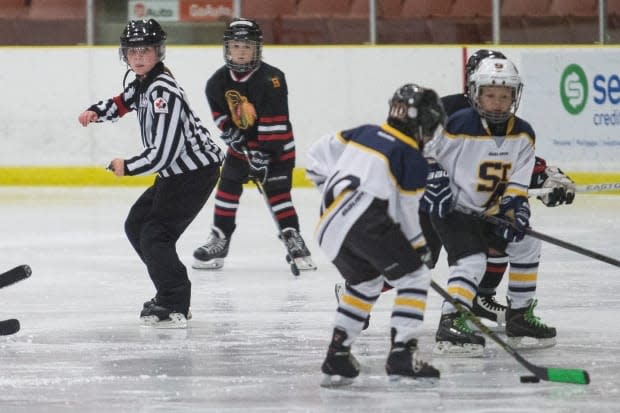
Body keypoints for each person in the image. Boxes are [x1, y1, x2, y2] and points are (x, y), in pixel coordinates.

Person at [78, 19, 223, 328]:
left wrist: (128, 166)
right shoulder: (144, 83)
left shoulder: (163, 91)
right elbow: (122, 101)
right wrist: (96, 112)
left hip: (194, 173)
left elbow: (164, 154)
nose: (139, 57)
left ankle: (174, 300)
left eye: (146, 50)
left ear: (159, 53)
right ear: (124, 55)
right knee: (137, 224)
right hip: (178, 173)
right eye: (132, 51)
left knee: (155, 234)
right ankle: (168, 287)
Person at [307, 84, 446, 387]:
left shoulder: (364, 132)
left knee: (365, 284)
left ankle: (338, 356)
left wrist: (339, 200)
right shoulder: (411, 156)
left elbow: (315, 156)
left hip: (328, 225)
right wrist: (421, 249)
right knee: (415, 278)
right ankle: (402, 357)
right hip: (366, 221)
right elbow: (408, 215)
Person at [427, 49, 576, 330]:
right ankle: (451, 320)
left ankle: (519, 316)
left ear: (515, 96)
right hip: (450, 208)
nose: (497, 103)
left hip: (488, 207)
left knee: (526, 242)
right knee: (456, 260)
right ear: (475, 91)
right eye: (490, 95)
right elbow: (422, 151)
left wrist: (515, 209)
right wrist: (433, 176)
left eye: (504, 96)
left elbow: (518, 180)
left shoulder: (522, 132)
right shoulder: (456, 120)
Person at [192, 18, 316, 272]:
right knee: (226, 189)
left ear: (257, 48)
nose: (240, 52)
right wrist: (230, 133)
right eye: (235, 46)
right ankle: (220, 238)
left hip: (277, 149)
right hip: (241, 150)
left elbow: (275, 123)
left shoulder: (272, 79)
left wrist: (263, 155)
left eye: (246, 47)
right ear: (227, 48)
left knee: (278, 194)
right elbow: (221, 115)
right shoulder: (216, 82)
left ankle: (292, 237)